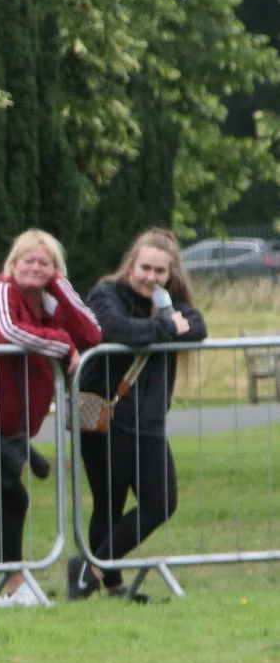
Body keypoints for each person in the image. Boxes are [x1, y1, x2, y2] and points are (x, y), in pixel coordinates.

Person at [0, 228, 100, 608]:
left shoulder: (48, 302)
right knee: (10, 498)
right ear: (13, 263)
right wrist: (63, 345)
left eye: (45, 263)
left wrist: (59, 286)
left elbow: (91, 332)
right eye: (28, 260)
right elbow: (6, 332)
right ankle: (14, 584)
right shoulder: (1, 291)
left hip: (11, 423)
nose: (35, 267)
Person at [69, 227, 204, 602]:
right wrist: (165, 327)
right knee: (109, 504)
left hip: (150, 419)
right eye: (145, 268)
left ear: (171, 273)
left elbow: (197, 327)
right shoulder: (106, 293)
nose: (151, 277)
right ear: (131, 265)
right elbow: (115, 329)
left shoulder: (170, 302)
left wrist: (162, 323)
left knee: (161, 503)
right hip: (106, 416)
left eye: (160, 271)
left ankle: (90, 569)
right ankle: (112, 585)